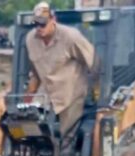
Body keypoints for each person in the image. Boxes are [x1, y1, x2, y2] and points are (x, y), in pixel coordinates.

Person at [25, 2, 96, 137]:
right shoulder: (30, 39)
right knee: (30, 129)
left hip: (71, 95)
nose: (39, 28)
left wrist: (97, 91)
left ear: (53, 20)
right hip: (45, 94)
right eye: (36, 24)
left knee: (66, 137)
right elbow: (35, 73)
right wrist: (27, 98)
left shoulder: (71, 37)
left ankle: (67, 154)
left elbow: (93, 62)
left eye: (43, 24)